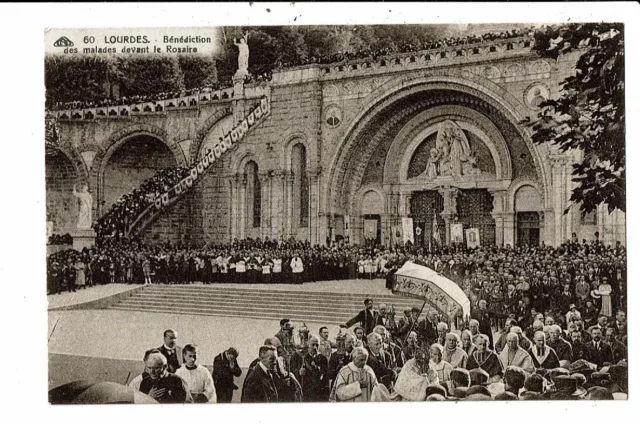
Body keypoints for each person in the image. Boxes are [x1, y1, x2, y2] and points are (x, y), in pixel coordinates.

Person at [298, 336, 329, 401]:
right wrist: (299, 372)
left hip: (320, 392)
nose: (315, 347)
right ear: (308, 345)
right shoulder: (303, 358)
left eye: (317, 345)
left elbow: (325, 376)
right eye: (313, 345)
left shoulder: (323, 359)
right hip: (307, 392)